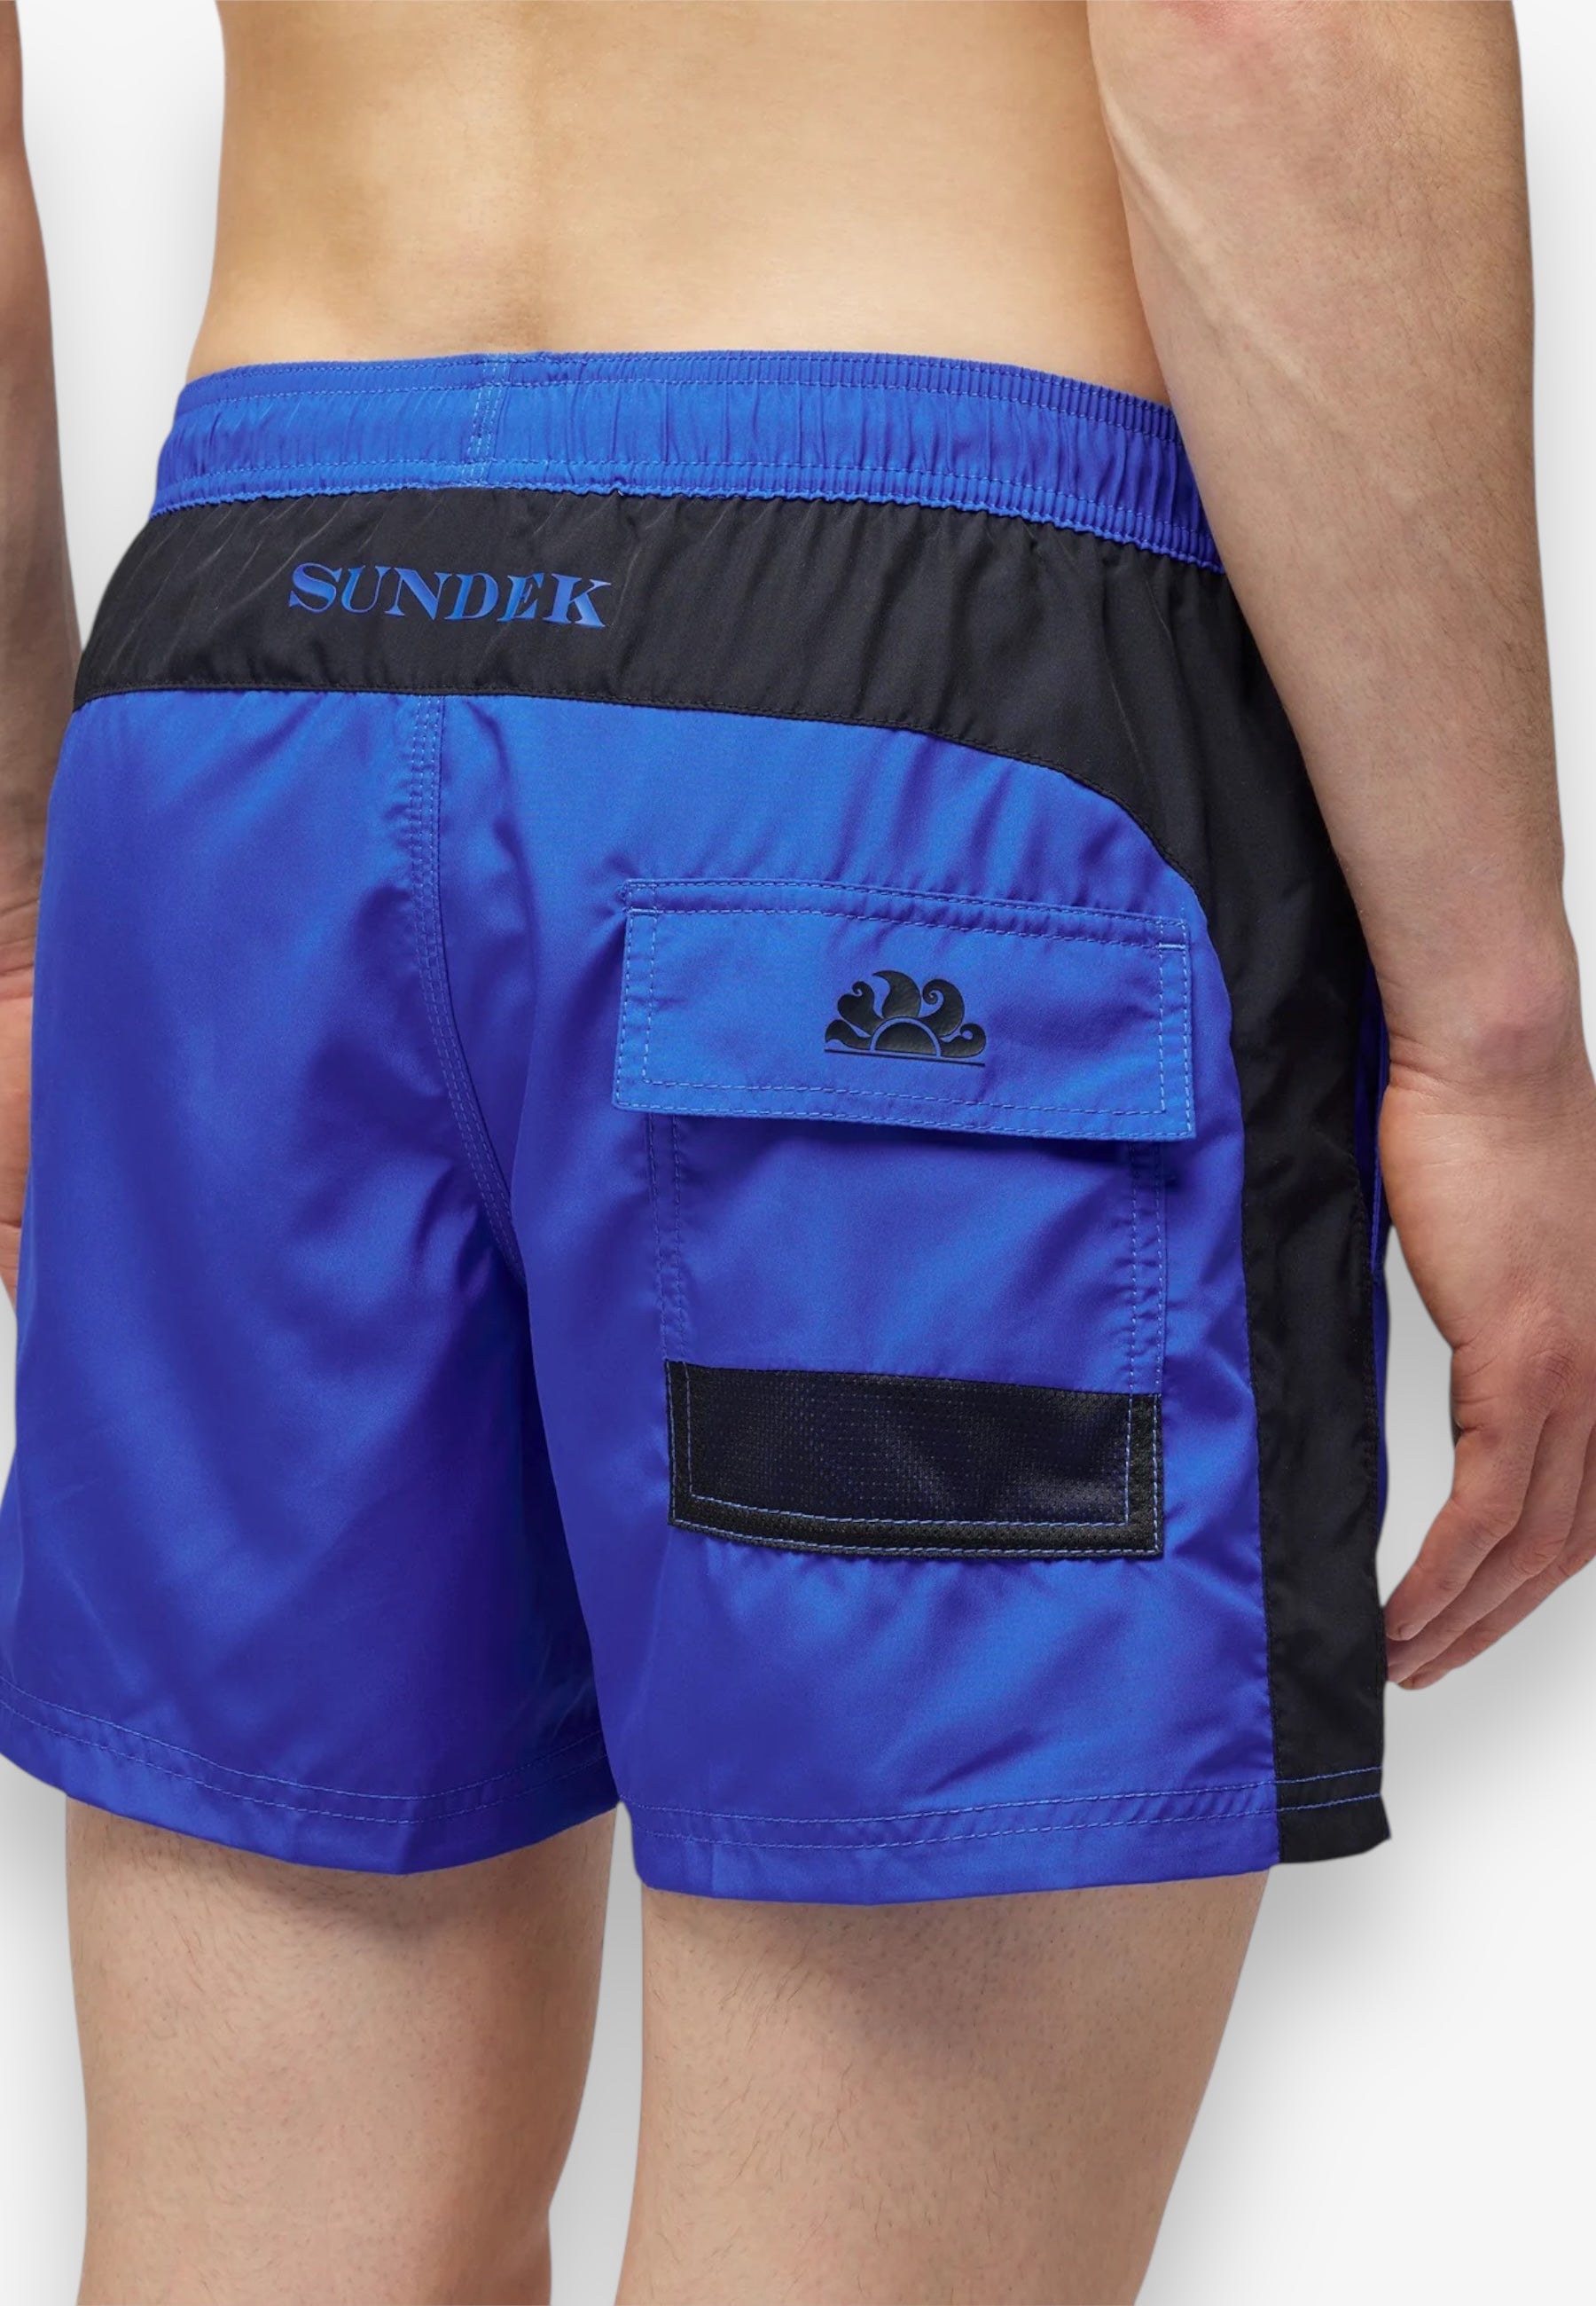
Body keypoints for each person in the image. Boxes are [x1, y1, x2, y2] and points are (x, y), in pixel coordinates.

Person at [3, 3, 1592, 2301]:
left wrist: (18, 915)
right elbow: (1262, 22)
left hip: (252, 709)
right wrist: (1498, 1034)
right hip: (911, 731)